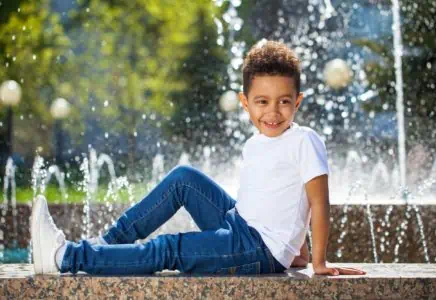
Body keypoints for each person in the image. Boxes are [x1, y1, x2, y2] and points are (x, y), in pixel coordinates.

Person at [31, 40, 365, 276]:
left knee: (169, 249)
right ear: (245, 102)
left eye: (284, 102)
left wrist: (317, 261)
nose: (273, 112)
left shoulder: (304, 140)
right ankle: (105, 242)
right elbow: (282, 201)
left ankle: (65, 256)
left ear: (298, 101)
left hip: (255, 249)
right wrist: (297, 251)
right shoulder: (256, 142)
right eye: (262, 102)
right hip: (240, 224)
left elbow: (318, 202)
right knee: (183, 179)